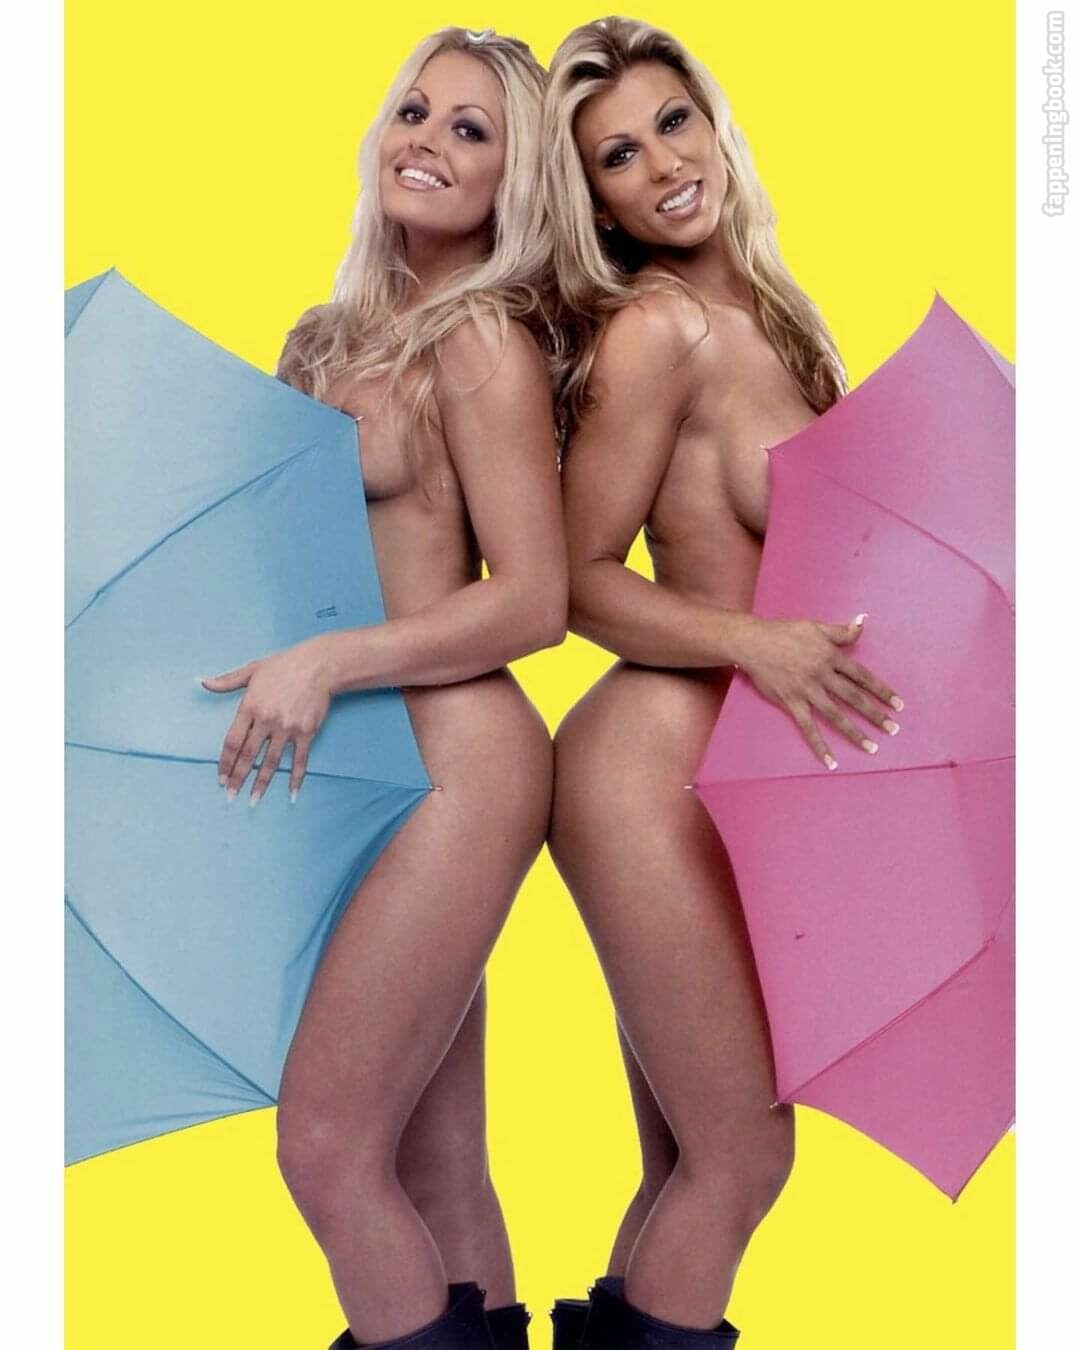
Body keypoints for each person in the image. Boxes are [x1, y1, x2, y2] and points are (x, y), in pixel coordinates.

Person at [202, 28, 566, 1350]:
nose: (427, 139)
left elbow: (534, 600)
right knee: (432, 1160)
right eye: (415, 109)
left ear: (516, 179)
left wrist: (329, 660)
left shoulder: (481, 345)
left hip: (459, 762)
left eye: (473, 129)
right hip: (346, 766)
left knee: (325, 1143)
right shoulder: (323, 339)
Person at [542, 17, 903, 1347]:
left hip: (732, 779)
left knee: (692, 1167)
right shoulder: (659, 329)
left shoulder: (778, 316)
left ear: (713, 120)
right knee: (746, 1156)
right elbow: (571, 578)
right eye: (617, 158)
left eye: (671, 124)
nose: (661, 166)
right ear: (597, 204)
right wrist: (754, 642)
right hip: (642, 774)